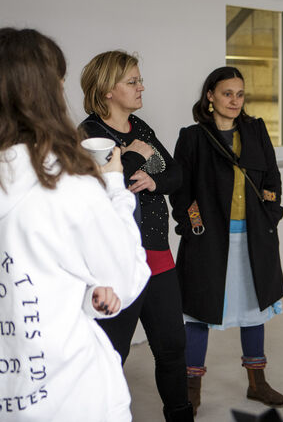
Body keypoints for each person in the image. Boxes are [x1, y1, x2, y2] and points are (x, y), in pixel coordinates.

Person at [0, 27, 150, 421]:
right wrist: (115, 187)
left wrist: (84, 293)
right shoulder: (66, 182)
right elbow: (124, 275)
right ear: (48, 90)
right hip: (67, 393)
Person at [79, 51, 192, 421]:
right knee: (112, 354)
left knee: (174, 349)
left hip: (157, 256)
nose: (141, 87)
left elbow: (176, 176)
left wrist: (152, 178)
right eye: (132, 81)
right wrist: (133, 160)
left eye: (140, 79)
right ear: (107, 90)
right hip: (115, 264)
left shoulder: (141, 129)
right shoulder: (89, 135)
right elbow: (97, 192)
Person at [169, 66, 283, 414]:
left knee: (254, 309)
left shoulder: (255, 130)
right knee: (199, 313)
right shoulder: (192, 137)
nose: (234, 100)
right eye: (226, 93)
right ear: (210, 95)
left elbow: (272, 178)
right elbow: (181, 192)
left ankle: (257, 383)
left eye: (240, 94)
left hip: (253, 238)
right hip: (208, 240)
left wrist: (271, 213)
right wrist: (194, 227)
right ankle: (192, 388)